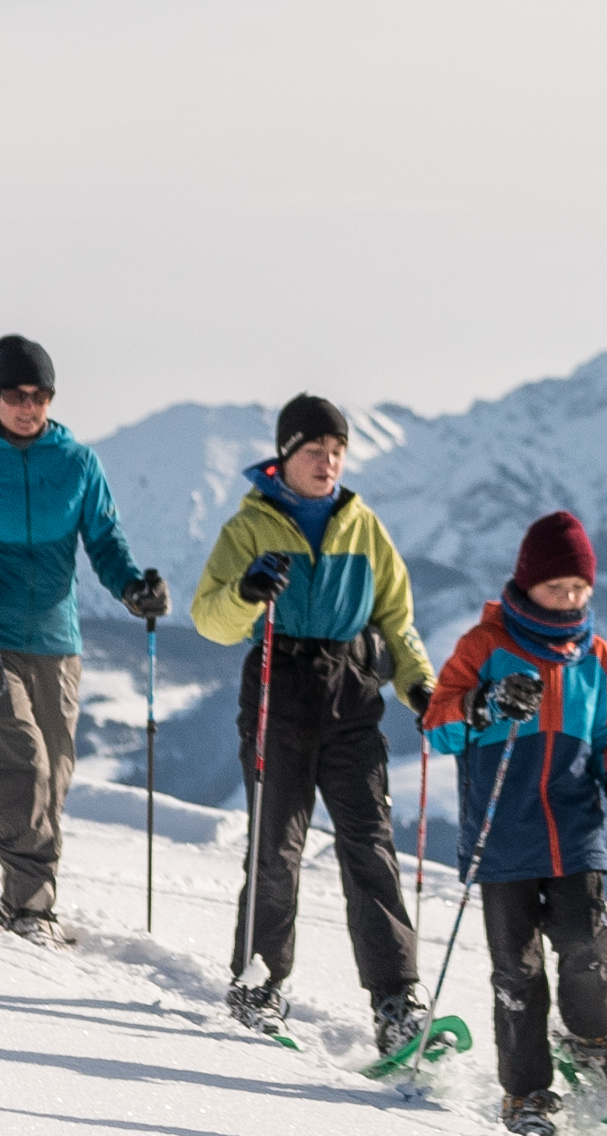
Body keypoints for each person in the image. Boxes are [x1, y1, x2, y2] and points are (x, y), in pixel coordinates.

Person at [186, 395, 440, 1048]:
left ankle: (397, 1000)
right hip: (280, 687)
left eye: (336, 451)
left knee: (370, 845)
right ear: (285, 455)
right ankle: (258, 985)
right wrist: (246, 592)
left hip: (353, 695)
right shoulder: (249, 528)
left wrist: (420, 687)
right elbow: (209, 619)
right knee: (277, 846)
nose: (327, 462)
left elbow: (396, 621)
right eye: (314, 451)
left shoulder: (364, 528)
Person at [421, 509, 607, 1136]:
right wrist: (485, 704)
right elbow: (438, 726)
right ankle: (527, 1093)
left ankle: (593, 1041)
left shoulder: (596, 657)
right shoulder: (485, 646)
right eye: (555, 588)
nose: (567, 600)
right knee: (517, 970)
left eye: (578, 589)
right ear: (527, 584)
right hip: (502, 832)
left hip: (574, 830)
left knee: (587, 943)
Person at [0, 333, 170, 937]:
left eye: (39, 395)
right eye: (16, 395)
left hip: (56, 642)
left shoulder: (78, 464)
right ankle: (28, 908)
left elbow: (104, 541)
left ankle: (24, 898)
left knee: (56, 775)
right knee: (25, 765)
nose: (28, 406)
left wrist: (133, 587)